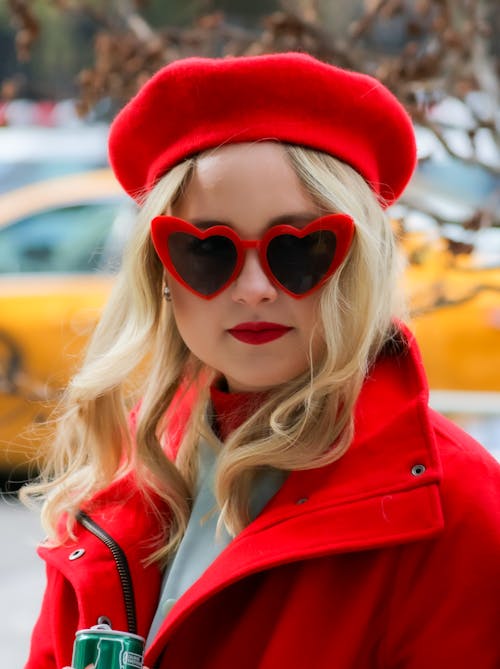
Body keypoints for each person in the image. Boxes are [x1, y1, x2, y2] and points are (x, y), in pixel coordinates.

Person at [23, 53, 499, 669]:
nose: (252, 288)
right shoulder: (123, 474)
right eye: (208, 250)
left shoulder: (460, 511)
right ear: (161, 272)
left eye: (300, 249)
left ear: (358, 268)